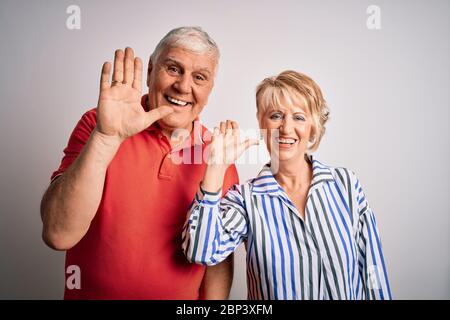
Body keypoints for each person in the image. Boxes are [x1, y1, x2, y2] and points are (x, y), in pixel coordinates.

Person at [40, 26, 238, 299]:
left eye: (199, 77)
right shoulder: (98, 126)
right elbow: (58, 234)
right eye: (173, 69)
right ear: (150, 71)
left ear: (210, 89)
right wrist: (106, 138)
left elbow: (217, 259)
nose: (183, 86)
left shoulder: (220, 155)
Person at [182, 70, 392, 300]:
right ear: (262, 124)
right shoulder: (245, 199)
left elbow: (373, 272)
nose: (286, 128)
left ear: (313, 127)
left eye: (299, 117)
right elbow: (201, 251)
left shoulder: (346, 184)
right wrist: (216, 166)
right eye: (276, 116)